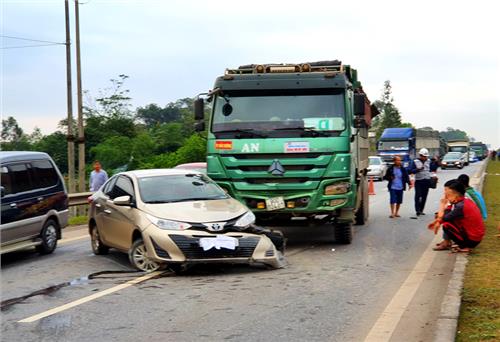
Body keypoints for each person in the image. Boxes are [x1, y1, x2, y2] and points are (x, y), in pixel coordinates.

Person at [428, 179, 484, 252]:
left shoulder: (461, 206)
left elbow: (445, 218)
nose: (445, 195)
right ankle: (448, 242)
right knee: (444, 218)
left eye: (447, 194)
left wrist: (442, 204)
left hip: (472, 240)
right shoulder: (463, 200)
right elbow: (445, 215)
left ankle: (464, 246)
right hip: (475, 237)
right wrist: (438, 220)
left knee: (446, 225)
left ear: (455, 194)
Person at [411, 148, 432, 218]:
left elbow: (432, 169)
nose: (425, 158)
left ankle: (421, 210)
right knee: (418, 196)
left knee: (424, 196)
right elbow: (410, 170)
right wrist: (418, 170)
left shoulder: (429, 161)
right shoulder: (415, 161)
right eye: (424, 156)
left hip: (426, 180)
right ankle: (417, 210)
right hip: (419, 181)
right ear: (420, 155)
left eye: (426, 156)